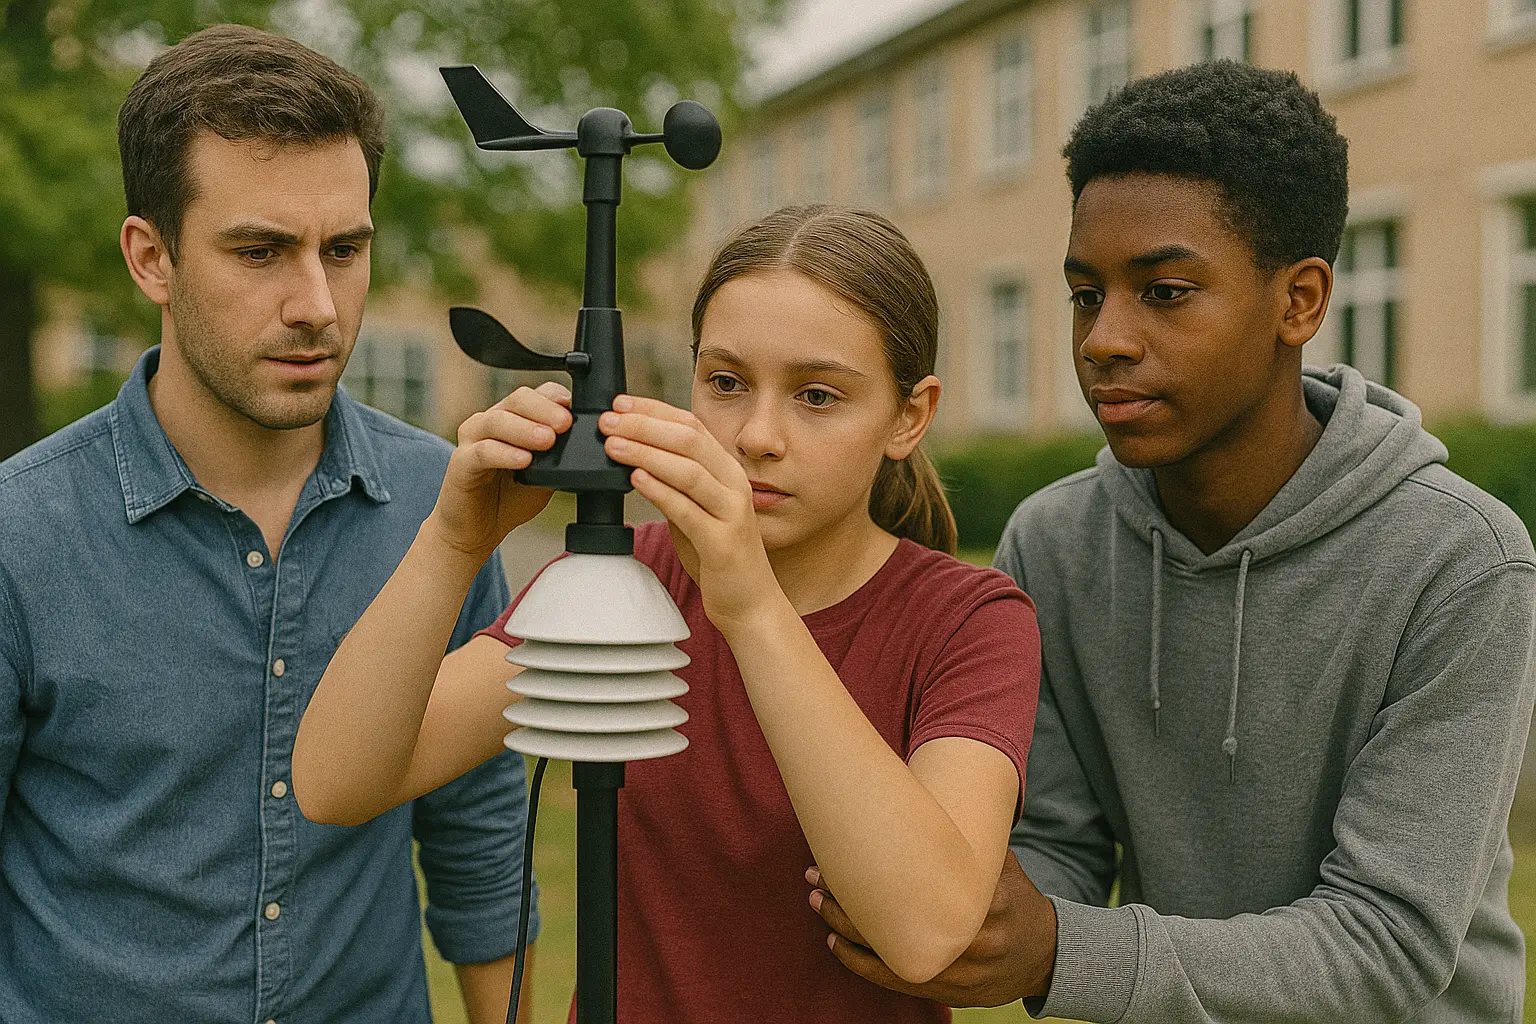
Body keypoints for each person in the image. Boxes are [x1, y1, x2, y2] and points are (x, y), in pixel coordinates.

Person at [811, 59, 1536, 1022]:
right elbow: (1059, 844)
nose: (1104, 338)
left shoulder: (1460, 560)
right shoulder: (1056, 541)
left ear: (1301, 303)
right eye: (1084, 294)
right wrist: (938, 901)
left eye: (1164, 292)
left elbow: (1388, 944)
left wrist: (1059, 949)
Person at [294, 204, 1042, 1022]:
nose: (757, 434)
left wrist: (750, 605)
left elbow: (926, 931)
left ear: (910, 415)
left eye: (818, 396)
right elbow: (338, 782)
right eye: (725, 383)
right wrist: (450, 543)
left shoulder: (971, 621)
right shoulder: (630, 577)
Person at [0, 25, 538, 1023]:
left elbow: (479, 841)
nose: (317, 304)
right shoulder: (18, 536)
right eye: (261, 251)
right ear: (150, 257)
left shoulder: (445, 504)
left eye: (344, 250)